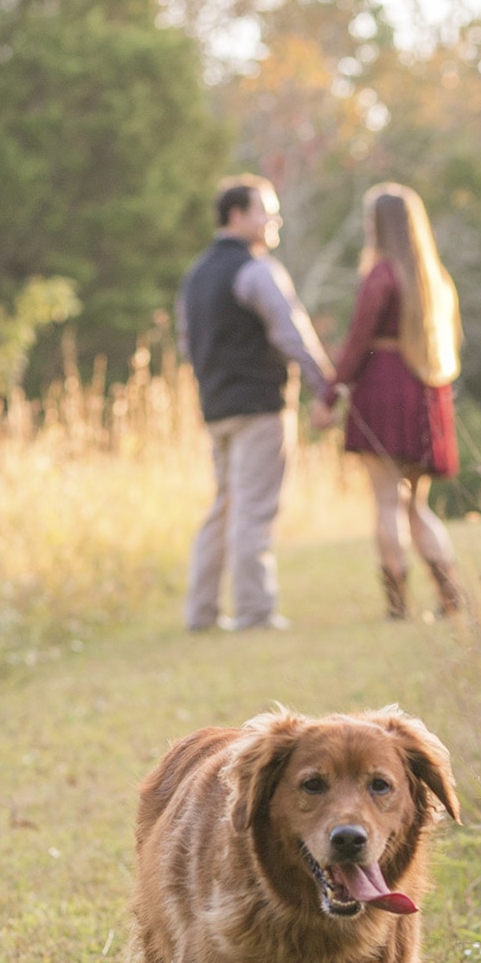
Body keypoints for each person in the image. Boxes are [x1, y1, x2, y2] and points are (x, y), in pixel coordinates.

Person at [179, 174, 333, 631]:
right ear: (238, 215)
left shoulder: (195, 276)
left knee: (223, 506)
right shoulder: (257, 270)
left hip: (216, 407)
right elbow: (291, 333)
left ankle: (201, 613)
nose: (274, 219)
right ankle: (255, 611)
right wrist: (325, 387)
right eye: (266, 210)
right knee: (254, 510)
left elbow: (187, 344)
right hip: (260, 406)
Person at [311, 183, 463, 620]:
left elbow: (358, 342)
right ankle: (450, 595)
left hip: (383, 386)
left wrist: (330, 395)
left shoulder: (382, 274)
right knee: (417, 503)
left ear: (379, 225)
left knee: (385, 500)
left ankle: (399, 605)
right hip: (424, 388)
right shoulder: (433, 278)